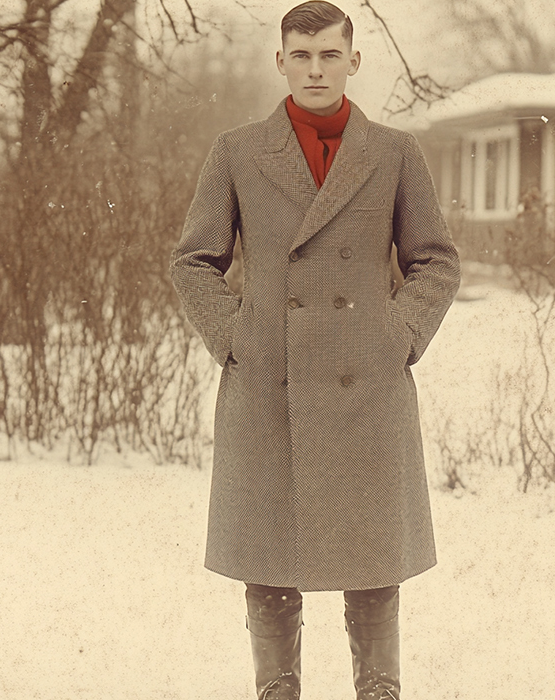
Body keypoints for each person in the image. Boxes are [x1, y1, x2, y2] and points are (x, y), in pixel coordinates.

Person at [169, 2, 460, 698]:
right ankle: (277, 690)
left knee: (372, 558)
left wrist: (399, 334)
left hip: (368, 387)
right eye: (300, 56)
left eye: (330, 55)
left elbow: (436, 261)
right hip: (271, 383)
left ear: (353, 61)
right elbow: (193, 262)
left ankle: (379, 688)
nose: (315, 69)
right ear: (280, 62)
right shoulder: (237, 151)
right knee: (269, 558)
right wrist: (235, 336)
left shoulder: (394, 153)